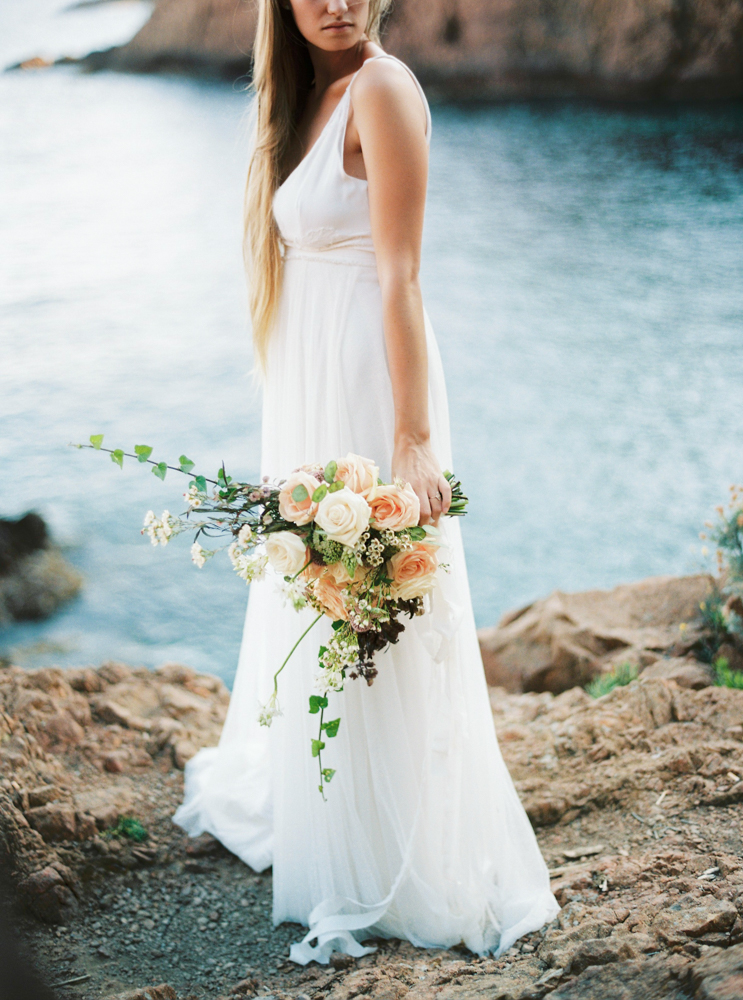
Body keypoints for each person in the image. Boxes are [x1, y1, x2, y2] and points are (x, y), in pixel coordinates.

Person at [174, 0, 559, 964]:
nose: (336, 3)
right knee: (319, 589)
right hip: (305, 378)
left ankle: (389, 841)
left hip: (362, 375)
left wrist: (414, 438)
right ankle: (325, 802)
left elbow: (400, 275)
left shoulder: (383, 88)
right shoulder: (304, 99)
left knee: (372, 594)